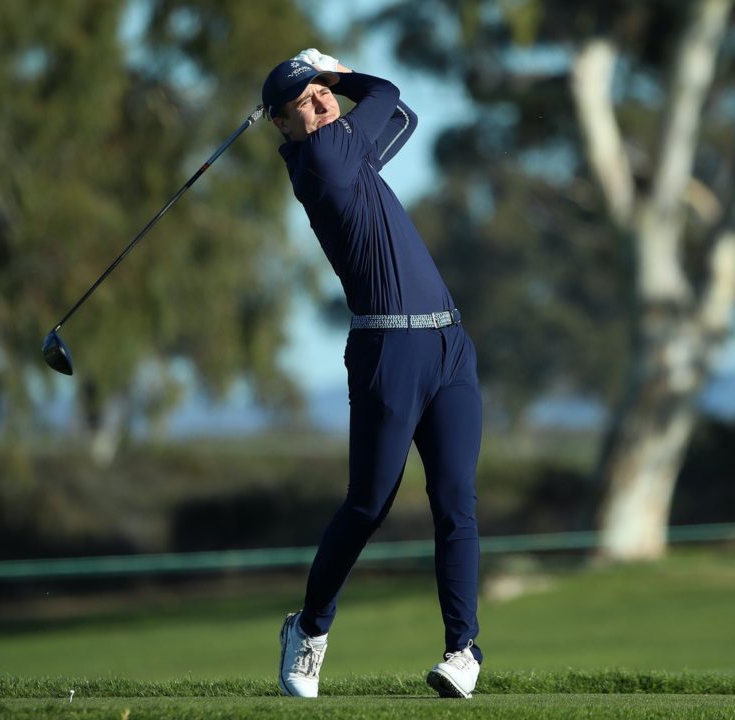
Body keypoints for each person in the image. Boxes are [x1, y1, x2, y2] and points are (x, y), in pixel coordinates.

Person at [263, 49, 484, 700]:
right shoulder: (327, 160)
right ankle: (308, 630)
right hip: (388, 352)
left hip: (448, 343)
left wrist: (323, 78)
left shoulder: (346, 153)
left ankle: (462, 650)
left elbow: (402, 117)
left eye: (325, 93)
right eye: (306, 101)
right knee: (368, 505)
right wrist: (337, 68)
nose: (323, 102)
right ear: (283, 125)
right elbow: (386, 91)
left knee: (455, 503)